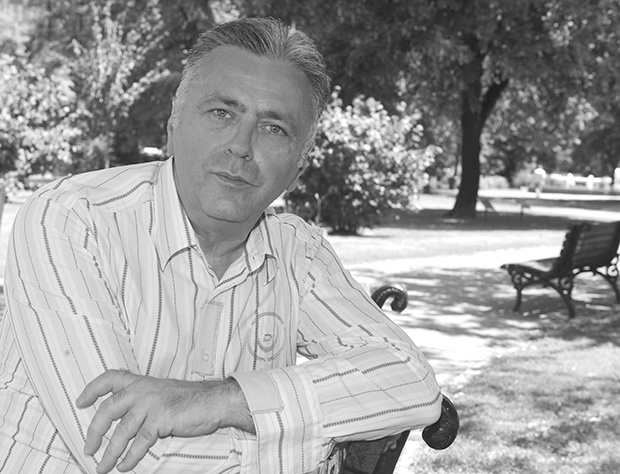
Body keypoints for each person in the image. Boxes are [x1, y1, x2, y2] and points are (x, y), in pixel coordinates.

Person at [0, 17, 442, 474]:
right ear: (173, 124)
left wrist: (222, 401)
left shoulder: (298, 253)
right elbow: (124, 453)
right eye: (221, 113)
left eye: (274, 128)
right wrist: (317, 451)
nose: (241, 146)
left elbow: (411, 381)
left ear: (299, 166)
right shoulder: (73, 219)